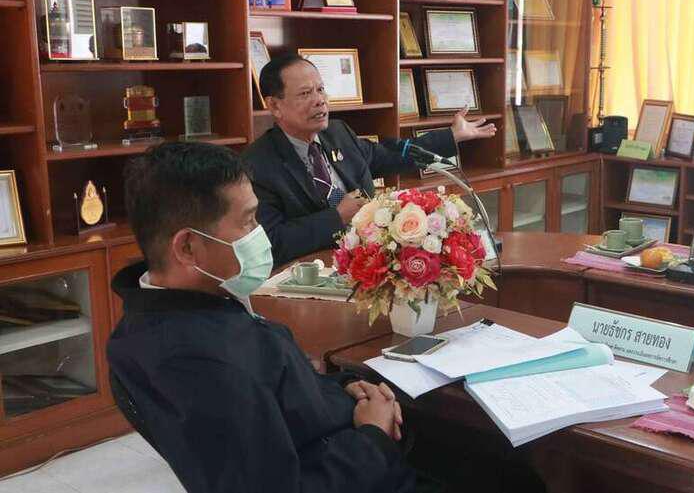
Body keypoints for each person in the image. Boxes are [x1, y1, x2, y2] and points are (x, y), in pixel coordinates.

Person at [108, 142, 416, 493]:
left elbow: (283, 391)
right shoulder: (202, 364)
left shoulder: (193, 306)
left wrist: (342, 385)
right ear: (188, 247)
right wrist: (373, 437)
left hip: (344, 434)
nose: (260, 233)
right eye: (248, 221)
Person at [244, 54, 497, 266]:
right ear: (274, 106)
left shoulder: (338, 133)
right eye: (305, 93)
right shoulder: (258, 164)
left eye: (320, 89)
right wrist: (337, 217)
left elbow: (391, 154)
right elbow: (272, 243)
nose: (319, 100)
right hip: (311, 274)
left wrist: (451, 136)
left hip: (370, 261)